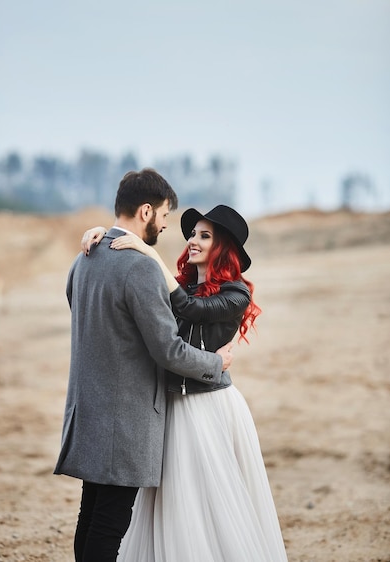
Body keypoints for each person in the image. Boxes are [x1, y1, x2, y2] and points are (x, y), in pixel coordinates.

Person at [82, 204, 289, 561]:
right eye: (193, 234)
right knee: (172, 502)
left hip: (208, 405)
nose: (192, 240)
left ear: (223, 247)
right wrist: (105, 235)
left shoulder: (236, 293)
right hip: (168, 406)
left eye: (204, 236)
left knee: (209, 501)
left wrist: (146, 250)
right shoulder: (177, 284)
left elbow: (193, 309)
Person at [54, 169, 234, 562]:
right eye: (166, 215)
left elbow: (84, 313)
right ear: (147, 211)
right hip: (125, 419)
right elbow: (168, 350)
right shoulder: (140, 268)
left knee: (91, 514)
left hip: (87, 410)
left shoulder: (83, 258)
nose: (168, 225)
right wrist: (215, 363)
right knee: (109, 523)